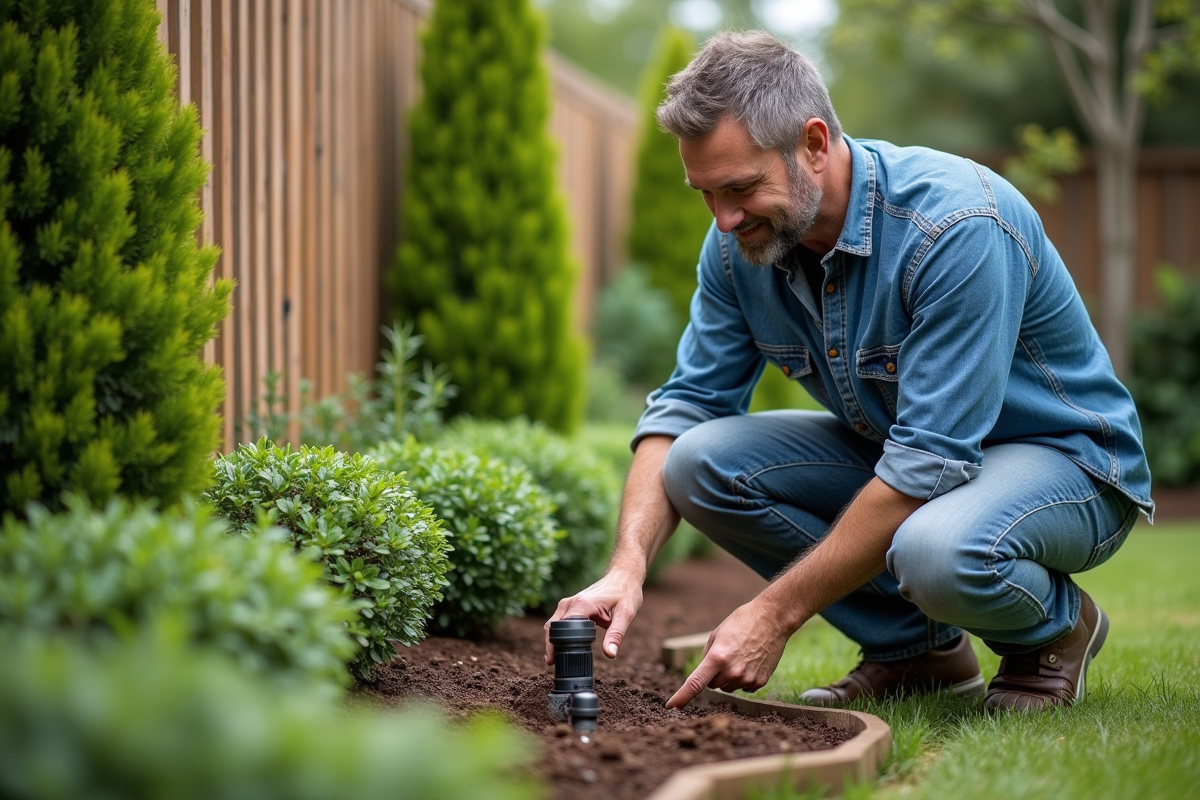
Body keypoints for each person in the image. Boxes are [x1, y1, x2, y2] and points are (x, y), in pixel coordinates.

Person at [545, 30, 1153, 714]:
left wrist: (773, 614)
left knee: (937, 549)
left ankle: (1057, 632)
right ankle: (917, 654)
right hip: (923, 460)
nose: (723, 218)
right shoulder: (739, 249)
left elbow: (928, 462)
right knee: (698, 464)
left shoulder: (955, 227)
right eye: (706, 193)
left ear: (813, 143)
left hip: (1064, 461)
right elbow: (685, 407)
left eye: (741, 188)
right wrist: (627, 569)